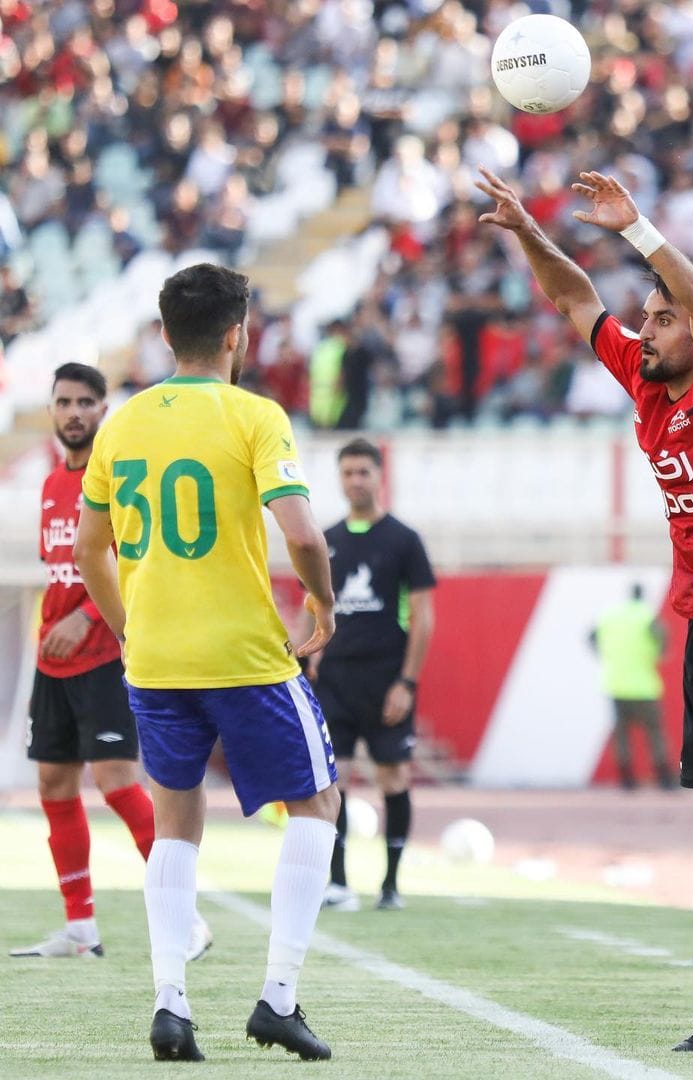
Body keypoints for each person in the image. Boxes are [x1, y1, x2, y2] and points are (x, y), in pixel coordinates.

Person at [476, 165, 693, 1054]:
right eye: (651, 313)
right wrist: (527, 231)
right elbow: (573, 300)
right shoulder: (643, 379)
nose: (649, 325)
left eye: (662, 314)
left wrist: (640, 228)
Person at [74, 263, 341, 1061]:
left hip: (156, 661)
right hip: (247, 657)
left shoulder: (120, 424)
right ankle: (278, 997)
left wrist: (131, 629)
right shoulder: (254, 415)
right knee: (319, 804)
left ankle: (170, 1002)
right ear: (237, 334)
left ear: (164, 334)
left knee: (175, 821)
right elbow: (300, 533)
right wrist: (321, 605)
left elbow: (93, 549)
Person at [10, 363, 211, 964]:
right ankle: (80, 929)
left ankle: (187, 919)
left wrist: (90, 618)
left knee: (118, 780)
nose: (74, 412)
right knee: (53, 783)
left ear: (104, 410)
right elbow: (64, 572)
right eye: (64, 402)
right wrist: (54, 622)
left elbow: (140, 565)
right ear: (52, 410)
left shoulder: (122, 483)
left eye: (86, 402)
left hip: (104, 654)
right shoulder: (50, 485)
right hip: (54, 661)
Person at [309, 436, 435, 913]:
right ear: (340, 479)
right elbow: (313, 605)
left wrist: (407, 681)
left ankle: (391, 885)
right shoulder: (327, 540)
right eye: (348, 472)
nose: (356, 480)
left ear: (380, 476)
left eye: (364, 471)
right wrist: (307, 659)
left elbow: (423, 617)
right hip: (335, 677)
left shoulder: (404, 540)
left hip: (386, 678)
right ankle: (338, 883)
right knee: (330, 781)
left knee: (393, 776)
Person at [588, 582, 675, 790]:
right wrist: (661, 652)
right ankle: (664, 778)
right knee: (655, 734)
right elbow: (661, 634)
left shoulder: (611, 615)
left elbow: (591, 636)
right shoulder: (646, 615)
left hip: (616, 685)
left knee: (622, 736)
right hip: (644, 686)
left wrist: (604, 654)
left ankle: (626, 779)